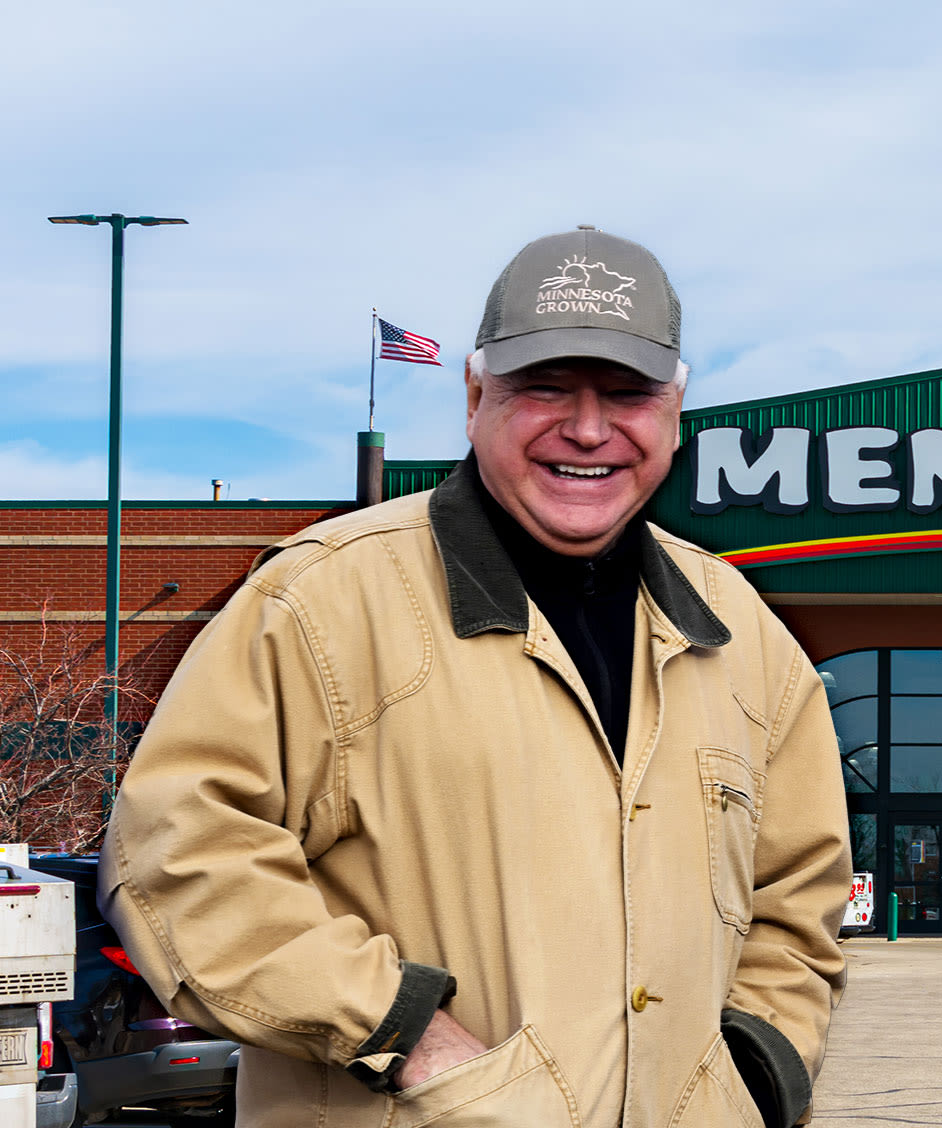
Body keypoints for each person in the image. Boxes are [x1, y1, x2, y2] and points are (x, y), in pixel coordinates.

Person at [97, 227, 852, 1128]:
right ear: (473, 394)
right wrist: (402, 1032)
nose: (587, 427)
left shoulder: (743, 637)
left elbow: (797, 900)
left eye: (627, 393)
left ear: (675, 410)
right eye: (543, 387)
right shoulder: (317, 604)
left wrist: (755, 1077)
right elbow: (178, 855)